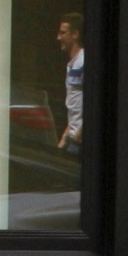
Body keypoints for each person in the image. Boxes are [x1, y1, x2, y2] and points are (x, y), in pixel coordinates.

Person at [55, 12, 85, 153]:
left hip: (79, 140)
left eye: (62, 33)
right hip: (72, 137)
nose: (58, 37)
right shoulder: (72, 64)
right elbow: (74, 105)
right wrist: (64, 138)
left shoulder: (83, 62)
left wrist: (78, 136)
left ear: (75, 34)